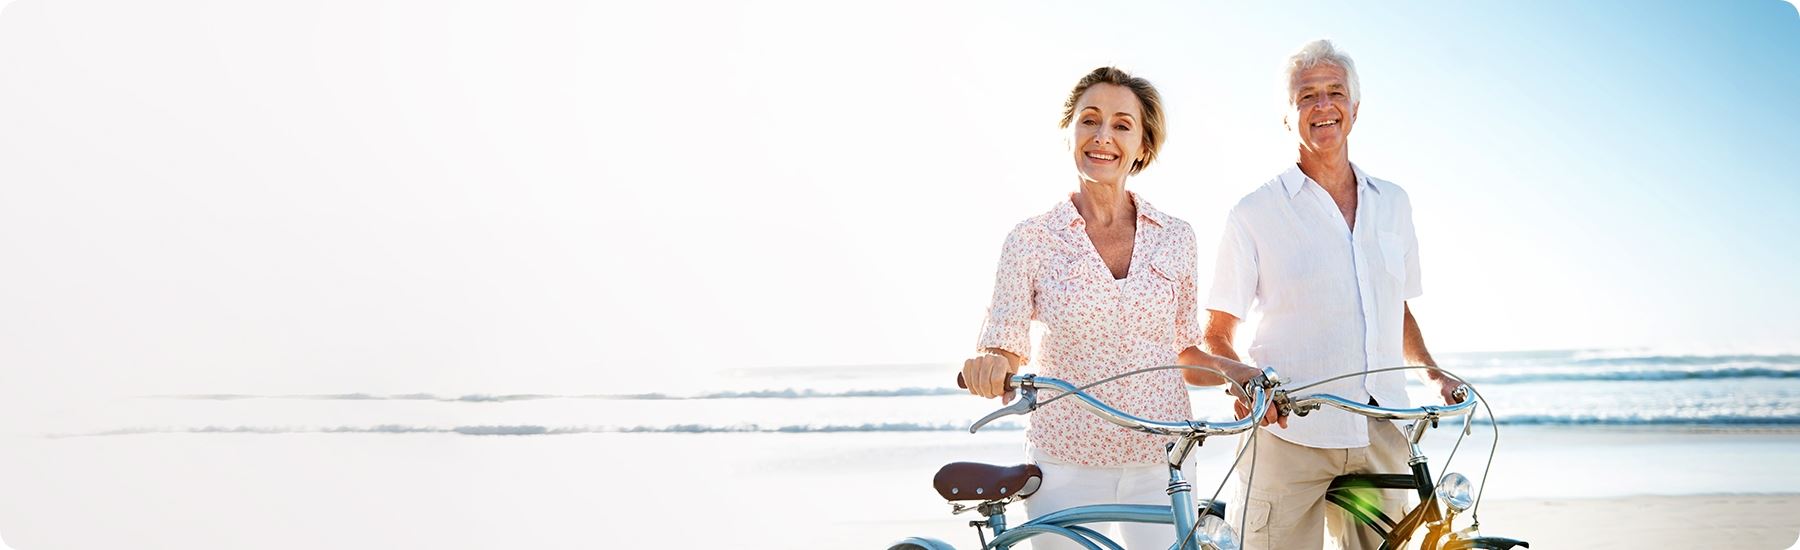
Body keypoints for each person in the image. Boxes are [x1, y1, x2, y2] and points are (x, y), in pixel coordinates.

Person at [960, 66, 1257, 550]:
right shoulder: (1032, 239)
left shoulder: (1176, 237)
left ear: (1143, 144)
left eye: (1121, 124)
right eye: (1090, 120)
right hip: (1065, 462)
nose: (1103, 136)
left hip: (1164, 460)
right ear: (1071, 131)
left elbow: (1184, 353)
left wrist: (1238, 372)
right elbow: (1006, 345)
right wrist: (992, 363)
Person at [1194, 39, 1467, 549]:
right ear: (1287, 115)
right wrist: (1242, 382)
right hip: (1288, 434)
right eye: (1306, 97)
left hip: (1380, 427)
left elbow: (1394, 306)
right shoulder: (1253, 213)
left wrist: (1431, 369)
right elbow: (1216, 333)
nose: (1323, 106)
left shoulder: (1394, 203)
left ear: (1355, 108)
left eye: (1334, 92)